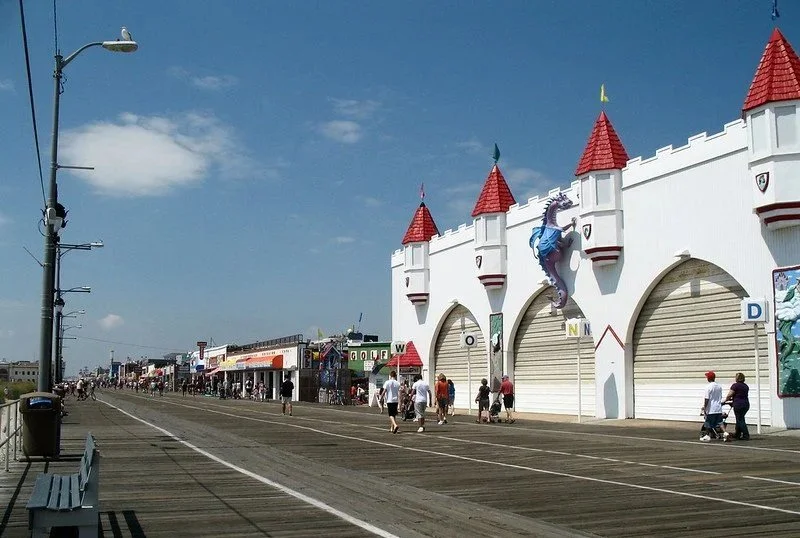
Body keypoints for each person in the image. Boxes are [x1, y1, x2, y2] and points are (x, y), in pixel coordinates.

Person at [700, 371, 728, 442]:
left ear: (709, 378)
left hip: (711, 408)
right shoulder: (719, 387)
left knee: (707, 423)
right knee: (720, 422)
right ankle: (725, 432)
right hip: (718, 408)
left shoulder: (708, 387)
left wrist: (705, 407)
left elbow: (707, 399)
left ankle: (707, 436)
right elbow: (720, 397)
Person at [726, 372, 750, 440]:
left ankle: (746, 435)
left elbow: (730, 394)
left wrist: (726, 399)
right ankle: (737, 434)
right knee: (740, 418)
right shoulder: (746, 386)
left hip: (738, 404)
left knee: (740, 419)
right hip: (746, 404)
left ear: (737, 378)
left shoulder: (735, 386)